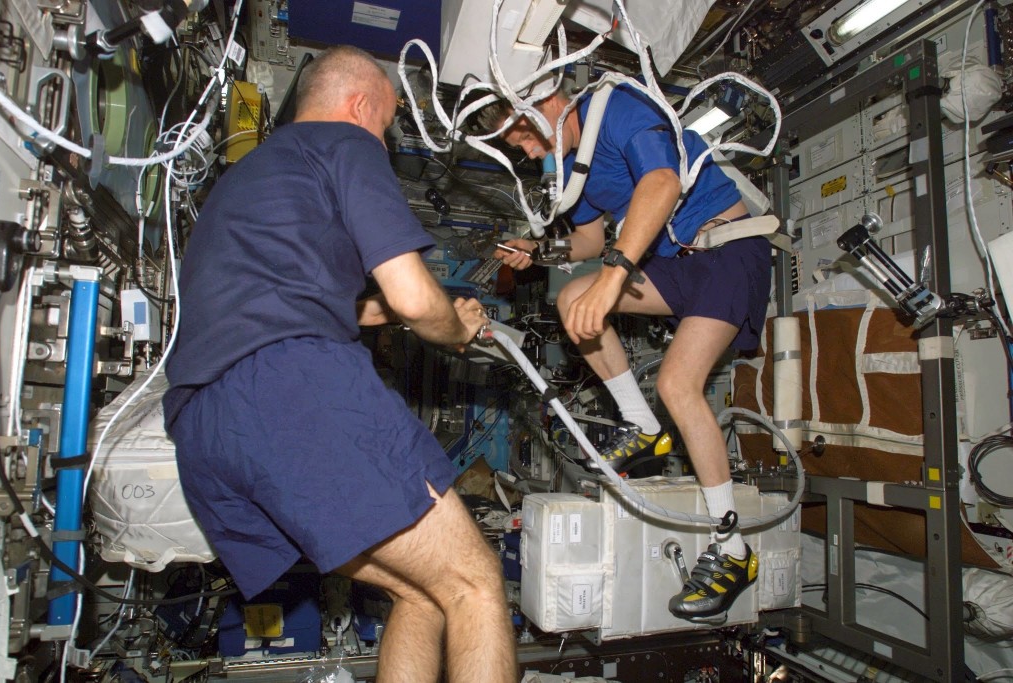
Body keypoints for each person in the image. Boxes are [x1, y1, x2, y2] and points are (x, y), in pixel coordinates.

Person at [163, 45, 517, 682]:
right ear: (360, 107)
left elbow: (292, 297)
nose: (382, 142)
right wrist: (452, 328)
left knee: (421, 592)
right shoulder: (346, 144)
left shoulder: (245, 181)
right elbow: (414, 297)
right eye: (384, 125)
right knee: (476, 583)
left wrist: (377, 313)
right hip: (289, 390)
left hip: (206, 426)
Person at [482, 82, 770, 622]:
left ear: (542, 104)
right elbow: (588, 242)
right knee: (572, 297)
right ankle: (642, 429)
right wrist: (538, 249)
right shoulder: (573, 168)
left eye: (518, 134)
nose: (523, 152)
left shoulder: (614, 108)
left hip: (729, 248)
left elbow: (661, 182)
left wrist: (614, 277)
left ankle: (734, 552)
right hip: (680, 268)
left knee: (677, 385)